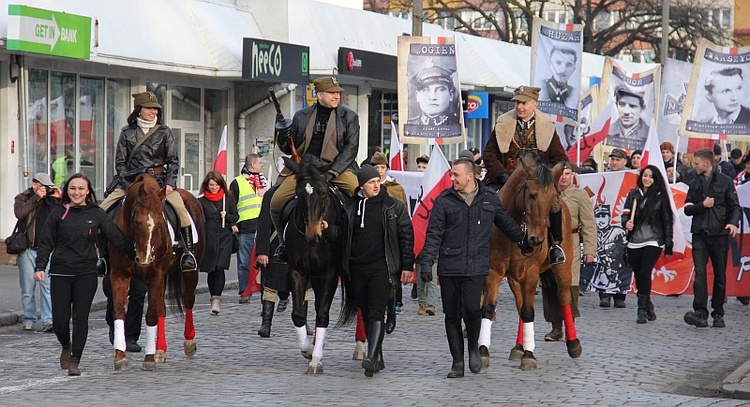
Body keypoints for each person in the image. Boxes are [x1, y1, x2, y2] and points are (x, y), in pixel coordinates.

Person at [419, 156, 532, 378]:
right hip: (450, 266)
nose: (452, 178)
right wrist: (427, 262)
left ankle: (473, 349)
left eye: (456, 175)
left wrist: (521, 240)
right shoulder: (444, 201)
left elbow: (505, 222)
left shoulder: (489, 198)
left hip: (476, 266)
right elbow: (433, 234)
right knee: (451, 315)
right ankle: (457, 362)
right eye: (451, 174)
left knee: (472, 310)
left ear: (470, 176)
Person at [34, 173, 134, 376]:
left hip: (86, 274)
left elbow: (116, 237)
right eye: (72, 188)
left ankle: (75, 360)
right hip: (61, 272)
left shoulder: (97, 214)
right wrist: (40, 267)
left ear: (88, 191)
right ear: (67, 190)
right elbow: (45, 243)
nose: (76, 192)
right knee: (60, 321)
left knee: (81, 319)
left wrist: (137, 255)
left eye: (81, 188)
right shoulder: (57, 214)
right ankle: (66, 344)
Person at [99, 91, 196, 272]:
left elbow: (173, 161)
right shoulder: (126, 133)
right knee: (102, 210)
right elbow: (120, 163)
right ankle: (102, 257)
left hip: (159, 182)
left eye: (156, 109)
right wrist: (129, 186)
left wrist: (170, 183)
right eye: (149, 108)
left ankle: (188, 253)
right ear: (139, 110)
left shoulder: (164, 132)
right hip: (131, 182)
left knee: (182, 210)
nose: (153, 112)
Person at [270, 76, 360, 261]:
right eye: (332, 93)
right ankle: (283, 243)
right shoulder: (301, 116)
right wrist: (283, 136)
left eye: (338, 93)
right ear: (319, 95)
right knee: (276, 201)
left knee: (359, 195)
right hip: (304, 171)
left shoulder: (349, 116)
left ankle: (355, 242)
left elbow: (351, 149)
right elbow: (288, 148)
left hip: (337, 169)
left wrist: (331, 173)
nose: (337, 96)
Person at [482, 85, 567, 265]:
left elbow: (559, 159)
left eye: (524, 103)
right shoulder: (503, 123)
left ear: (534, 104)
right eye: (517, 103)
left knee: (554, 204)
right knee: (482, 201)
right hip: (505, 179)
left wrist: (547, 180)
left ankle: (555, 246)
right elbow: (489, 155)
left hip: (536, 181)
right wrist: (502, 176)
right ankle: (478, 244)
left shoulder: (547, 126)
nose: (519, 107)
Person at [349, 165, 414, 377]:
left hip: (382, 267)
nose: (376, 185)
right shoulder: (352, 206)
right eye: (371, 182)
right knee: (366, 312)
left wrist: (406, 266)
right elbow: (342, 234)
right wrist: (328, 228)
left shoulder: (393, 206)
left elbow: (406, 237)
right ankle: (377, 355)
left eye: (377, 181)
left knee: (377, 311)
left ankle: (372, 356)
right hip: (357, 268)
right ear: (362, 186)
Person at [683, 148, 741, 328]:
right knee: (700, 274)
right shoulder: (693, 182)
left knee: (719, 274)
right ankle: (700, 311)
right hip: (700, 233)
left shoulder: (725, 181)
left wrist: (733, 223)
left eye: (697, 163)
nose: (694, 166)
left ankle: (718, 312)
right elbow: (687, 208)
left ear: (707, 163)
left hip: (719, 234)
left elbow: (735, 207)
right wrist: (702, 205)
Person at [541, 162, 596, 341]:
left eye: (567, 173)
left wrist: (590, 249)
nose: (563, 177)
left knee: (569, 285)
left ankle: (569, 325)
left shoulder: (579, 195)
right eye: (561, 173)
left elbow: (589, 224)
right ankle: (556, 328)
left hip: (569, 243)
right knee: (550, 286)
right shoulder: (547, 192)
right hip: (548, 243)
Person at [621, 165, 674, 324]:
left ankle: (641, 309)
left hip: (653, 239)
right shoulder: (633, 194)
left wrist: (669, 243)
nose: (647, 179)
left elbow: (667, 221)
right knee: (638, 274)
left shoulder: (660, 197)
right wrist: (626, 223)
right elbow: (625, 214)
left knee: (645, 272)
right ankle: (648, 304)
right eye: (645, 175)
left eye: (651, 176)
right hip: (635, 239)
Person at [13, 172, 60, 332]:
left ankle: (49, 320)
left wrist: (60, 198)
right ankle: (29, 318)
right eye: (42, 186)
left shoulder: (52, 200)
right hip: (28, 249)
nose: (45, 190)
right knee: (27, 288)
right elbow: (20, 213)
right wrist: (36, 198)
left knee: (47, 287)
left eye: (47, 187)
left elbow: (63, 217)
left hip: (46, 250)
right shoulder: (23, 197)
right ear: (34, 185)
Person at [198, 170, 238, 315]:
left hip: (224, 237)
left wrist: (227, 217)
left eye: (216, 185)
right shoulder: (201, 201)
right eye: (211, 185)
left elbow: (235, 215)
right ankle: (212, 296)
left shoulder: (228, 199)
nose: (213, 188)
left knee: (220, 267)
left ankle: (217, 299)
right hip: (209, 238)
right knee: (211, 268)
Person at [229, 153, 266, 303]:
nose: (262, 165)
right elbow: (231, 204)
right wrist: (233, 223)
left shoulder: (263, 180)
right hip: (245, 228)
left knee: (264, 263)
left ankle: (266, 292)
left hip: (263, 228)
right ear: (252, 165)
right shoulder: (237, 182)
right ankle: (245, 291)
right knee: (244, 262)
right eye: (260, 163)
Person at [599, 148, 630, 308]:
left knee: (623, 260)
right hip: (606, 224)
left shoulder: (631, 177)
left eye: (618, 160)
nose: (614, 162)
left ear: (625, 161)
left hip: (624, 225)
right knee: (605, 258)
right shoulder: (603, 176)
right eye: (613, 159)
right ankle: (604, 294)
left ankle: (620, 295)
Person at [407, 59, 460, 126]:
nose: (432, 97)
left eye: (440, 90)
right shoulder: (410, 125)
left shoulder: (457, 124)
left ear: (451, 95)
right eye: (426, 90)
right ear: (418, 96)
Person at [606, 86, 650, 151]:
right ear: (616, 105)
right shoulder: (607, 131)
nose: (626, 111)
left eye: (632, 106)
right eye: (622, 105)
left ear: (642, 108)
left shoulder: (649, 134)